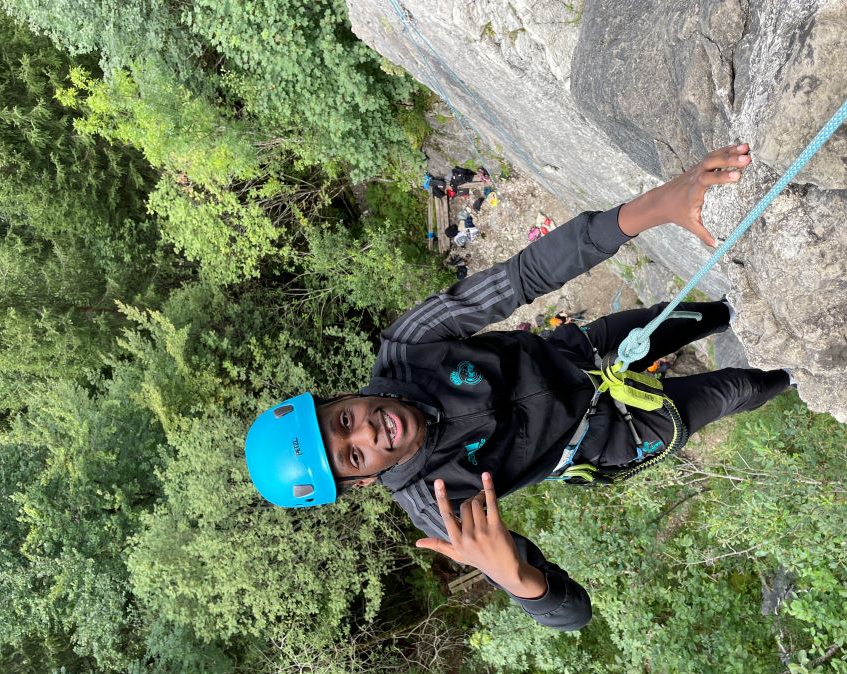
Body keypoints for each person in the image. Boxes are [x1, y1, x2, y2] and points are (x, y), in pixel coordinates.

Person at [245, 144, 790, 631]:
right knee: (732, 389)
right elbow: (574, 613)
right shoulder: (442, 513)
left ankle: (737, 310)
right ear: (362, 482)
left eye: (343, 421)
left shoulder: (410, 347)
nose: (366, 431)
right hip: (602, 438)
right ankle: (790, 374)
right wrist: (517, 578)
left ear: (339, 398)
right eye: (353, 455)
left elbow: (524, 275)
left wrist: (653, 207)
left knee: (683, 319)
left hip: (580, 355)